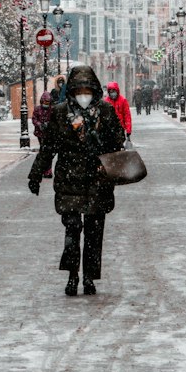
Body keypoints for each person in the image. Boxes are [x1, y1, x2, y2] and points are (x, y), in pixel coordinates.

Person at [28, 64, 125, 297]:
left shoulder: (105, 110)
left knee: (93, 232)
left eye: (87, 90)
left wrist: (103, 139)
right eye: (79, 91)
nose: (84, 95)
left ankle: (89, 277)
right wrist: (35, 174)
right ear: (72, 91)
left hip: (97, 180)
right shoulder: (60, 112)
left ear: (94, 90)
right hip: (69, 180)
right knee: (72, 229)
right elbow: (48, 147)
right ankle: (72, 275)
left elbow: (117, 140)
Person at [31, 90, 54, 178]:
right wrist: (39, 124)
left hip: (49, 134)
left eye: (48, 102)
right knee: (43, 151)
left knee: (48, 152)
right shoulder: (37, 109)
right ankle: (43, 169)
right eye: (45, 102)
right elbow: (34, 119)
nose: (46, 103)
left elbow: (54, 120)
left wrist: (49, 124)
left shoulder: (52, 110)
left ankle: (47, 170)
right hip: (40, 134)